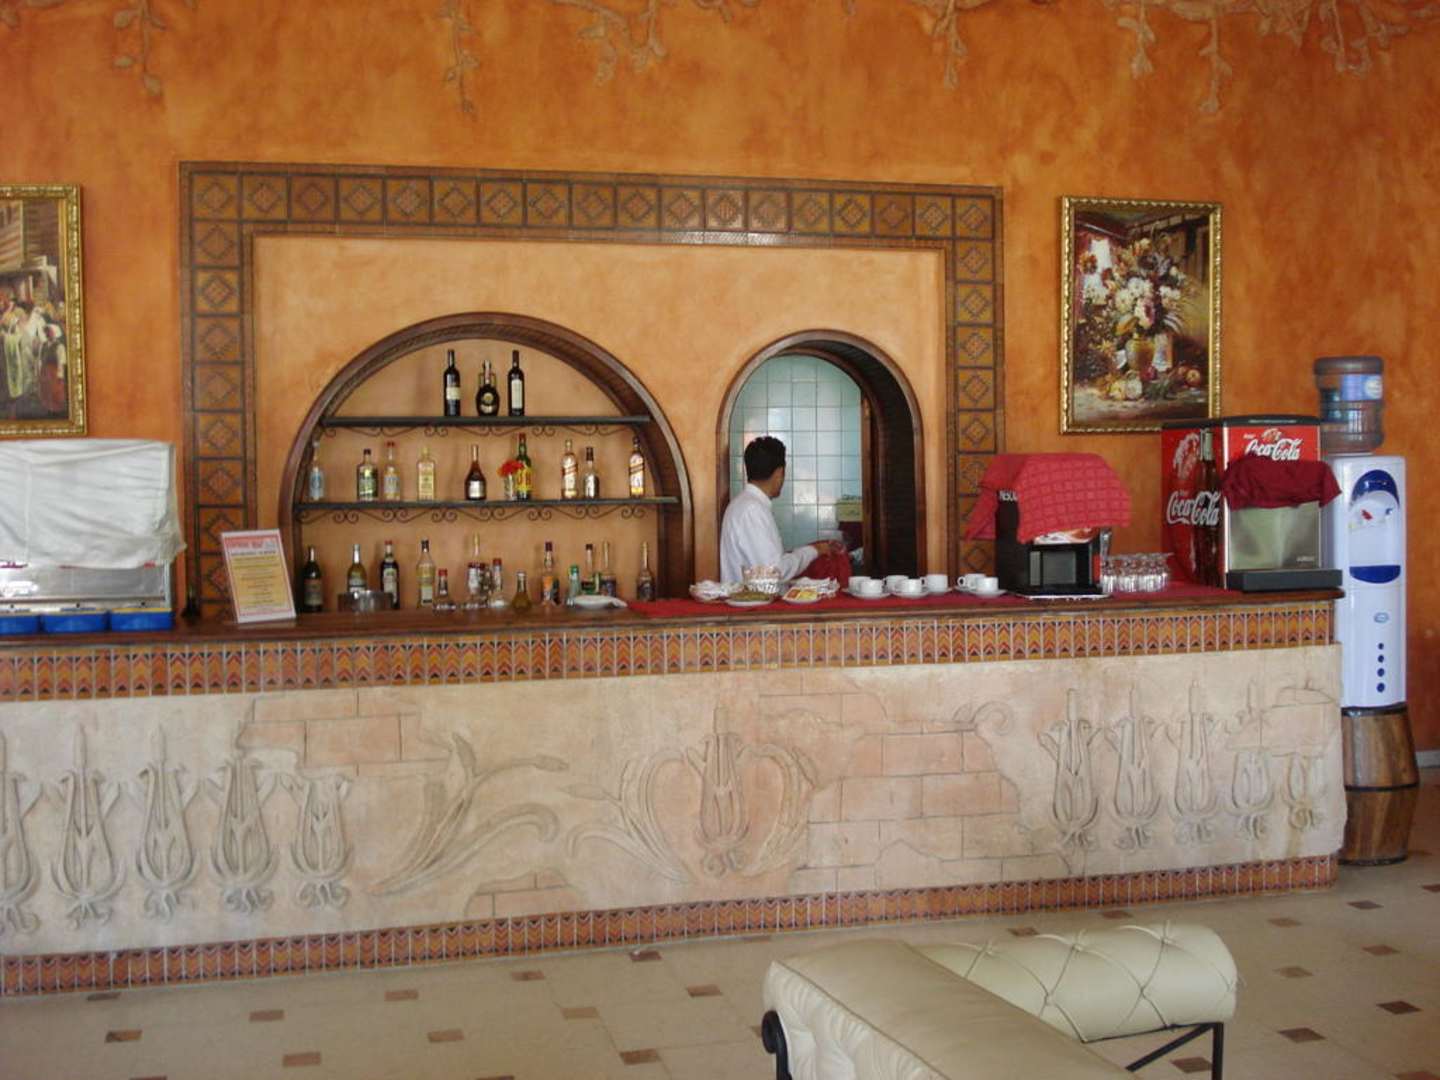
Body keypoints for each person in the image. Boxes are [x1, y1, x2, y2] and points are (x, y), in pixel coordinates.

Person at [720, 436, 841, 583]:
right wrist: (814, 550)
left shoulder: (744, 504)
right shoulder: (752, 510)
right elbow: (775, 571)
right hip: (752, 598)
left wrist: (815, 548)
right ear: (779, 473)